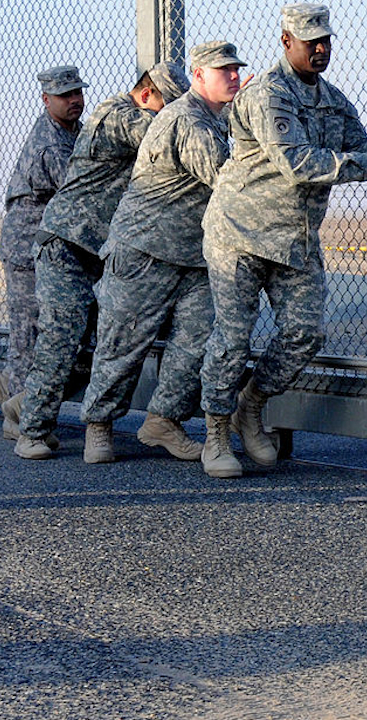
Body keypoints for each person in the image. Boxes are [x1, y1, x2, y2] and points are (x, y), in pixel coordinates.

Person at [198, 3, 367, 479]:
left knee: (305, 333)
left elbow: (361, 146)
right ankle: (215, 435)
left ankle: (250, 404)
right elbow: (299, 163)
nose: (320, 48)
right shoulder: (267, 95)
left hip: (294, 240)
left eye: (326, 41)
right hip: (241, 234)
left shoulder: (334, 101)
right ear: (285, 41)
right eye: (310, 40)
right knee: (232, 338)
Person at [60, 42, 243, 464]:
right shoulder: (187, 120)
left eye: (236, 70)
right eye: (223, 71)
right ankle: (100, 425)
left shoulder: (211, 117)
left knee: (197, 339)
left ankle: (163, 420)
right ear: (199, 76)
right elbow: (225, 181)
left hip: (192, 257)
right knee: (123, 341)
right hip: (144, 250)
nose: (233, 77)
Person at [11, 63, 191, 459]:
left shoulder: (145, 120)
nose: (173, 116)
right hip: (66, 247)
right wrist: (214, 113)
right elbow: (164, 135)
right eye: (168, 107)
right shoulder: (116, 114)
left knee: (104, 347)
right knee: (61, 338)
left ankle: (24, 405)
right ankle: (33, 432)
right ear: (146, 96)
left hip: (101, 254)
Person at [0, 65, 85, 445]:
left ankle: (12, 393)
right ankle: (19, 417)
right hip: (27, 248)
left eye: (77, 92)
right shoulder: (51, 144)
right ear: (47, 101)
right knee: (29, 335)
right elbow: (80, 194)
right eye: (65, 96)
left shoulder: (73, 132)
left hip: (50, 245)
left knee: (44, 333)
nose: (74, 100)